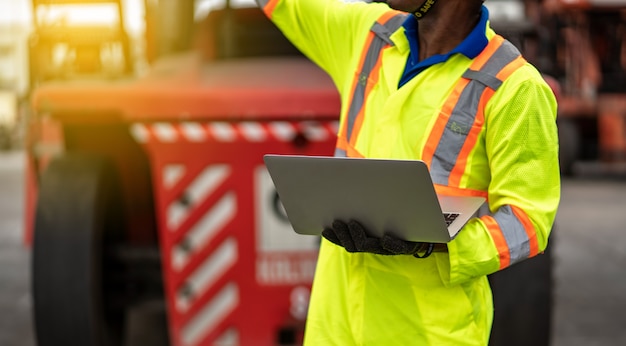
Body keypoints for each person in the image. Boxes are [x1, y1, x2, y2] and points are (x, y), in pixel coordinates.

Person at [254, 0, 560, 344]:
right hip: (335, 326)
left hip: (426, 334)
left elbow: (528, 222)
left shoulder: (515, 88)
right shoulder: (370, 34)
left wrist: (435, 244)